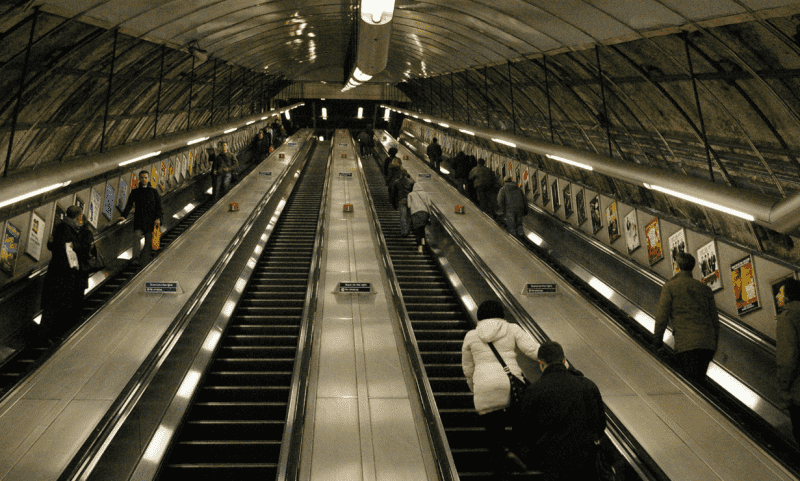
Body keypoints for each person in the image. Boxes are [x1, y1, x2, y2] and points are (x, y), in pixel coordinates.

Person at [462, 300, 539, 476]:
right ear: (501, 314)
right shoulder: (512, 329)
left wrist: (473, 388)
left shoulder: (471, 336)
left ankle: (501, 464)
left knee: (493, 431)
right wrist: (559, 360)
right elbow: (532, 350)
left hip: (484, 385)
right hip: (510, 384)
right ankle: (518, 453)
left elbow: (468, 369)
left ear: (479, 316)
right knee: (519, 423)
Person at [516, 341, 606, 480]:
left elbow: (524, 430)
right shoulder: (587, 385)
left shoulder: (533, 391)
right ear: (564, 361)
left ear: (541, 364)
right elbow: (600, 423)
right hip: (584, 460)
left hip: (551, 462)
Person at [653, 252, 720, 384]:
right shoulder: (705, 289)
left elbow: (661, 317)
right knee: (699, 382)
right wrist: (713, 347)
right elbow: (715, 323)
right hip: (707, 346)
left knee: (690, 384)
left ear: (677, 266)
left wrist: (657, 343)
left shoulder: (670, 286)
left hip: (686, 345)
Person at [40, 205, 93, 342]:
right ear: (78, 217)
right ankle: (48, 336)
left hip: (59, 272)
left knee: (54, 304)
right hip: (62, 274)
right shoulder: (67, 230)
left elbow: (52, 246)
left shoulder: (62, 227)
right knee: (56, 305)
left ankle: (48, 335)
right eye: (81, 217)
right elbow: (69, 251)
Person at [119, 170, 163, 266]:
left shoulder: (153, 192)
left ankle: (145, 259)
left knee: (148, 241)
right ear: (139, 179)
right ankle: (135, 258)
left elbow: (158, 206)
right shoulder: (135, 192)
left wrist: (158, 218)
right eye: (142, 177)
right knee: (136, 238)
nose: (144, 179)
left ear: (148, 179)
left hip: (150, 221)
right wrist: (123, 216)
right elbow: (129, 205)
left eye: (146, 177)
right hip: (139, 220)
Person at [777, 278, 800, 444]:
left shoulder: (787, 318)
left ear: (788, 297)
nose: (778, 296)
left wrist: (784, 387)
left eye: (780, 292)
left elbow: (788, 357)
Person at [389, 170, 415, 237]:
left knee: (403, 216)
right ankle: (408, 230)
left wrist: (394, 204)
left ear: (400, 174)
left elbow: (393, 194)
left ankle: (404, 232)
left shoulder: (396, 182)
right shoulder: (411, 182)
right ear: (406, 174)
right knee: (408, 216)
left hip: (401, 200)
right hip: (409, 201)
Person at [407, 182, 431, 253]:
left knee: (417, 230)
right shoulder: (426, 193)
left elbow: (409, 205)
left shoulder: (410, 194)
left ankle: (419, 247)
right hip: (424, 213)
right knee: (422, 227)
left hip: (415, 213)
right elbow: (429, 204)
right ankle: (423, 239)